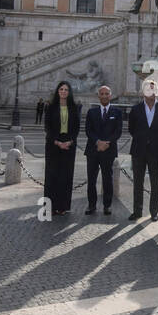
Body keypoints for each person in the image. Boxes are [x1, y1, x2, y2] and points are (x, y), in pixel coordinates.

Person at [127, 79, 158, 222]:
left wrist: (155, 141)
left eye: (152, 89)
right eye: (147, 89)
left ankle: (154, 212)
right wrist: (143, 139)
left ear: (156, 91)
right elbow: (131, 129)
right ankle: (137, 211)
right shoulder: (136, 109)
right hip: (138, 150)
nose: (149, 91)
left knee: (155, 182)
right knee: (138, 182)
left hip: (155, 151)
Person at [42, 81, 79, 216]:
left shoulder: (74, 108)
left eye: (66, 90)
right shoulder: (50, 107)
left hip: (69, 144)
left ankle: (63, 206)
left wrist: (70, 141)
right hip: (53, 144)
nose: (63, 91)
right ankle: (50, 207)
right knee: (52, 175)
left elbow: (76, 128)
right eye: (61, 89)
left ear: (69, 93)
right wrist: (57, 142)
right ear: (58, 91)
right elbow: (47, 127)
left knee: (66, 176)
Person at [84, 84, 122, 216]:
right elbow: (88, 130)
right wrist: (98, 142)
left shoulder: (117, 112)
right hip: (93, 150)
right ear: (98, 96)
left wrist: (107, 143)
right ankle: (91, 205)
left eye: (107, 94)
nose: (105, 96)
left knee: (107, 179)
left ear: (110, 96)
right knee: (91, 180)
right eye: (102, 94)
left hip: (109, 150)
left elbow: (118, 132)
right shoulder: (91, 112)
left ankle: (107, 205)